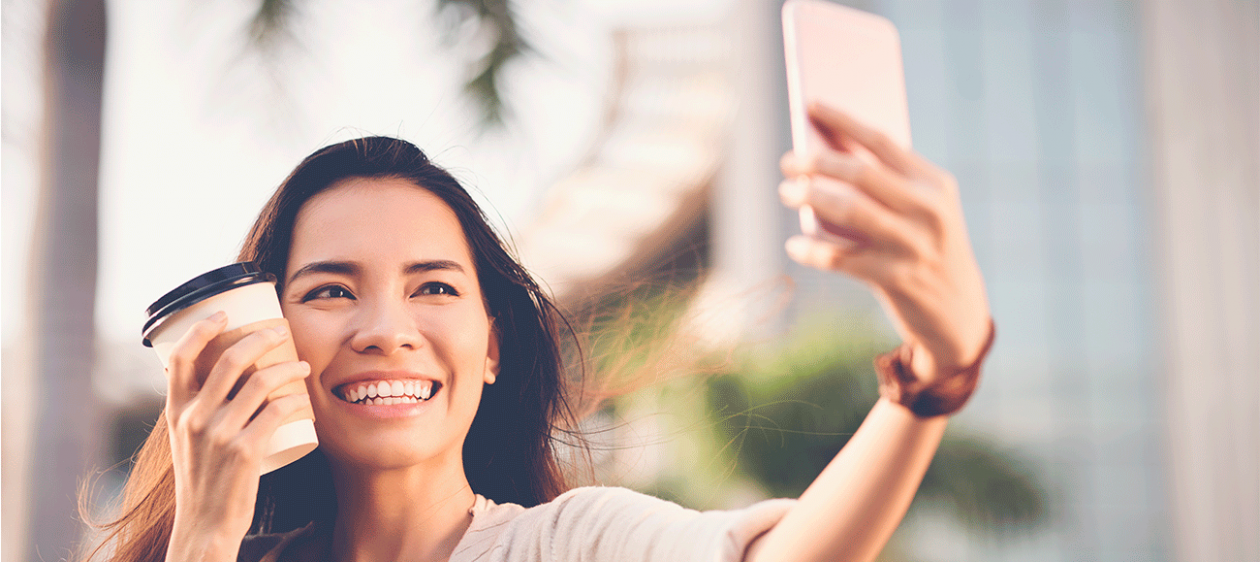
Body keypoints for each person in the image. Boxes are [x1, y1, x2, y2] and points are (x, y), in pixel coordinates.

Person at [84, 103, 993, 562]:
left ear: (492, 346)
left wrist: (935, 375)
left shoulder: (571, 542)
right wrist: (203, 534)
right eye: (329, 292)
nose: (385, 330)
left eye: (433, 285)